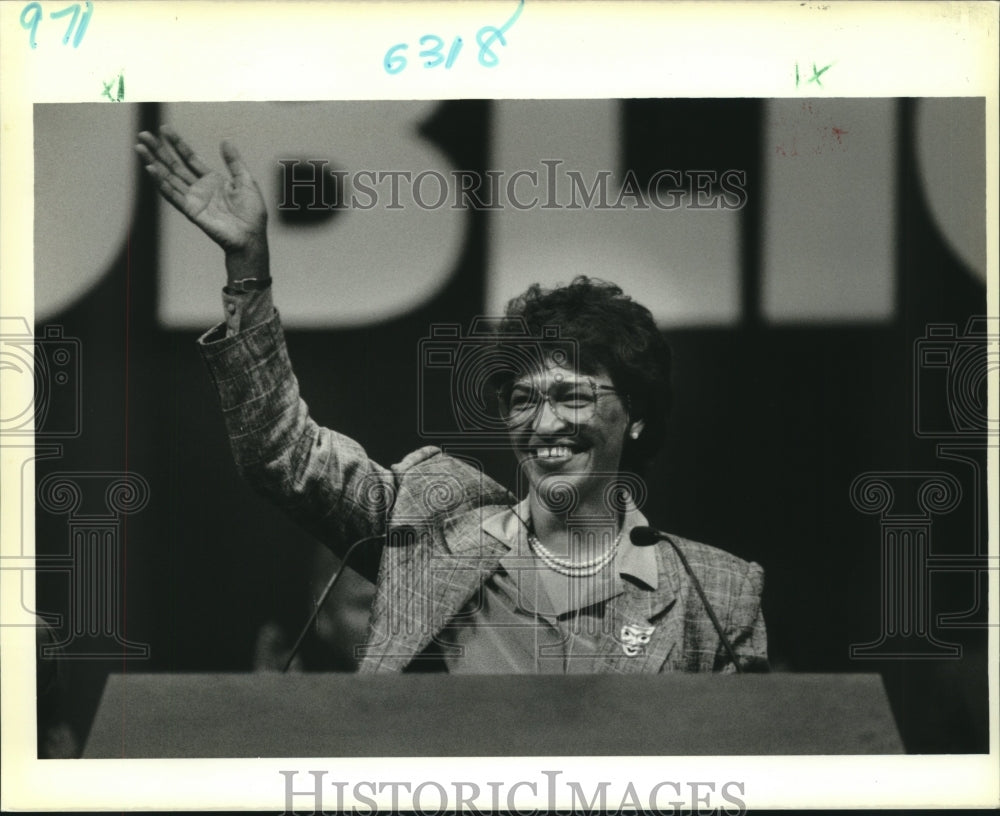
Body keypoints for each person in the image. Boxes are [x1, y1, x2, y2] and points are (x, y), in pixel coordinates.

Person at [135, 125, 768, 674]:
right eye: (524, 399)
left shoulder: (713, 593)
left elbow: (749, 768)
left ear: (635, 415)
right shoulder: (430, 530)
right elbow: (281, 452)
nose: (545, 422)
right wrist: (248, 263)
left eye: (572, 395)